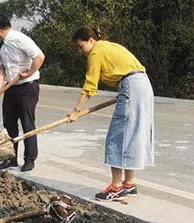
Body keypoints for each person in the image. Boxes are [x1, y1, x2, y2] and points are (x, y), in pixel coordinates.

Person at [66, 27, 154, 201]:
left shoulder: (96, 53)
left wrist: (76, 111)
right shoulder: (109, 46)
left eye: (81, 46)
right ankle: (129, 183)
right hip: (142, 84)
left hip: (131, 86)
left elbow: (90, 86)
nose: (80, 51)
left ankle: (116, 187)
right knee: (131, 136)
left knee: (117, 138)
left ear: (91, 40)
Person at [0, 14, 45, 172]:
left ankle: (29, 159)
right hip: (11, 87)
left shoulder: (20, 39)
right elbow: (1, 68)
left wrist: (29, 72)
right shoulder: (2, 46)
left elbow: (39, 57)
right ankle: (10, 158)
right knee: (9, 124)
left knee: (27, 123)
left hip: (27, 87)